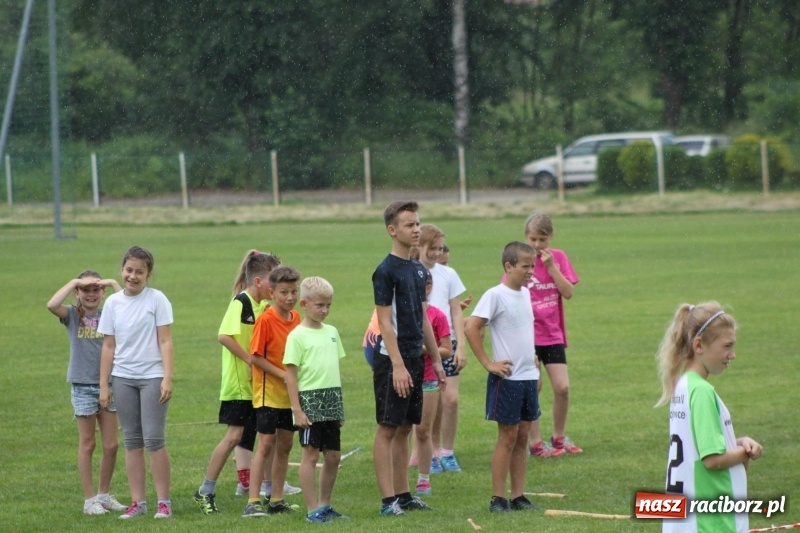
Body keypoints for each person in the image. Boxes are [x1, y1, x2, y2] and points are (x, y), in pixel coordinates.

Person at [656, 302, 762, 533]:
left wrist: (737, 442)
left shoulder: (683, 385)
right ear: (699, 345)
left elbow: (697, 446)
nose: (732, 355)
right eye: (727, 346)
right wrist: (746, 453)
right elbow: (712, 460)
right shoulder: (702, 392)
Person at [372, 200, 445, 516]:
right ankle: (388, 501)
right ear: (392, 230)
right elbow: (385, 322)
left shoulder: (418, 269)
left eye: (418, 224)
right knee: (387, 428)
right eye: (409, 225)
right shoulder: (385, 271)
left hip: (417, 358)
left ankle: (404, 495)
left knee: (405, 429)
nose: (416, 229)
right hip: (393, 361)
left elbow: (424, 317)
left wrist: (438, 362)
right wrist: (399, 365)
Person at [193, 250, 280, 515]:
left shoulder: (264, 305)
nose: (276, 288)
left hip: (257, 385)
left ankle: (269, 491)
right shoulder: (241, 302)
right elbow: (224, 336)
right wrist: (250, 361)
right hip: (239, 385)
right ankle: (205, 490)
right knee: (234, 437)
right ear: (258, 281)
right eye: (272, 282)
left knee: (267, 437)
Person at [464, 241, 542, 513]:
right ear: (508, 267)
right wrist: (488, 363)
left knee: (522, 437)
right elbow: (472, 327)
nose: (530, 271)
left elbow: (524, 334)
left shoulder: (526, 294)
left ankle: (518, 496)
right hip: (507, 379)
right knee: (507, 438)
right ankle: (498, 498)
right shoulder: (495, 295)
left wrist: (536, 367)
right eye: (525, 266)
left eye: (532, 266)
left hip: (528, 377)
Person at [98, 246, 175, 519]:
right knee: (132, 440)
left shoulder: (157, 300)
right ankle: (138, 502)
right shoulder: (112, 303)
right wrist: (104, 385)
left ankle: (163, 502)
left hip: (152, 377)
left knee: (154, 438)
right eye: (129, 270)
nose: (133, 276)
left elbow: (165, 340)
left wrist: (167, 376)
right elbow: (108, 346)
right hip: (122, 378)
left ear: (148, 274)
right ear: (121, 270)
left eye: (139, 272)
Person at [47, 271, 126, 515]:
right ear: (78, 293)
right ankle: (89, 499)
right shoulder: (72, 314)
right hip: (82, 385)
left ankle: (103, 494)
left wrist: (113, 283)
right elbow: (52, 305)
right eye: (86, 289)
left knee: (111, 444)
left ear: (103, 293)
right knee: (88, 443)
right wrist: (73, 282)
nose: (91, 294)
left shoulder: (111, 312)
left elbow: (126, 303)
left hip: (110, 385)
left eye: (96, 289)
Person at [284, 276, 348, 523]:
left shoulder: (332, 332)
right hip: (309, 402)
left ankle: (325, 505)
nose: (325, 310)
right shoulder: (297, 336)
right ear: (304, 304)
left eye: (328, 305)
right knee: (310, 455)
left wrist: (338, 407)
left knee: (333, 456)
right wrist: (297, 410)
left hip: (331, 399)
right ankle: (312, 511)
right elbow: (291, 376)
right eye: (320, 305)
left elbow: (333, 369)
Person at [242, 265, 302, 517]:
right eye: (283, 292)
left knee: (286, 445)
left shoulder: (297, 318)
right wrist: (283, 375)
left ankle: (276, 499)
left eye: (294, 291)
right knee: (265, 444)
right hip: (268, 394)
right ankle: (253, 501)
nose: (289, 297)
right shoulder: (265, 319)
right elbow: (255, 357)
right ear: (272, 292)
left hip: (290, 397)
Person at [521, 212, 581, 457]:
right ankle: (535, 443)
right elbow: (509, 293)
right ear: (526, 237)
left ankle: (558, 437)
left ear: (551, 238)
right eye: (533, 239)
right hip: (528, 336)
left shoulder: (558, 258)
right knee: (533, 387)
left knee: (562, 387)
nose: (537, 245)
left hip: (553, 334)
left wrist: (551, 267)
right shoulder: (521, 260)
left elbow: (567, 292)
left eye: (542, 240)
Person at [418, 224, 467, 473]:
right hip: (423, 348)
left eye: (440, 248)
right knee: (431, 402)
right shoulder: (412, 272)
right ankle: (433, 453)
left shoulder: (448, 274)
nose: (437, 253)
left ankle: (447, 451)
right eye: (432, 248)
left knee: (451, 400)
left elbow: (456, 311)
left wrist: (461, 347)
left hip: (448, 344)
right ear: (419, 246)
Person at [413, 270, 451, 495]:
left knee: (423, 429)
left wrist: (426, 350)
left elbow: (447, 350)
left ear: (428, 287)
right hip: (406, 376)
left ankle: (424, 478)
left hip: (428, 378)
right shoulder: (403, 315)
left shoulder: (437, 316)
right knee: (402, 429)